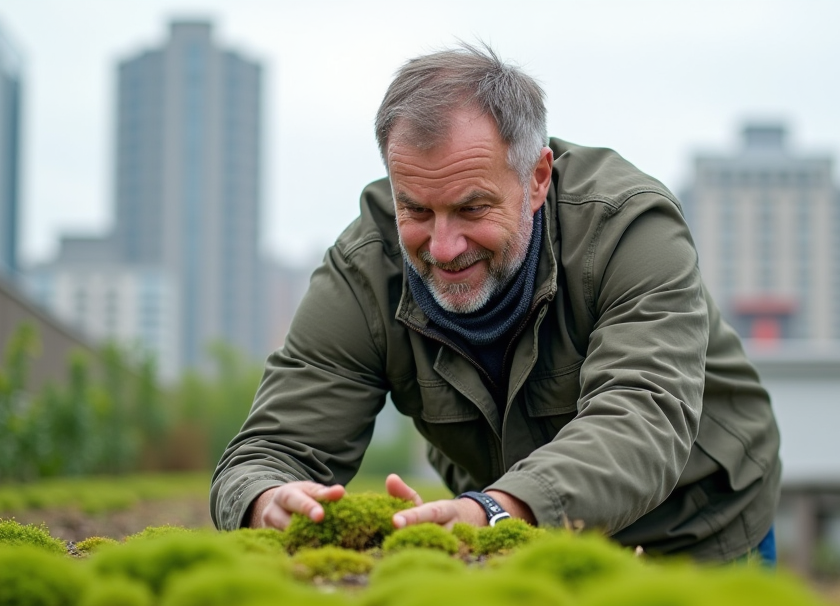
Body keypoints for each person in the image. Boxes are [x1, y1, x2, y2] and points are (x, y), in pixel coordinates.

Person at [211, 44, 781, 563]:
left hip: (691, 534)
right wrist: (266, 499)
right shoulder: (366, 269)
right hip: (511, 538)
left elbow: (642, 416)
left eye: (471, 208)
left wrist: (495, 511)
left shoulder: (630, 231)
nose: (442, 248)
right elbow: (269, 448)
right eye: (415, 209)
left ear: (537, 179)